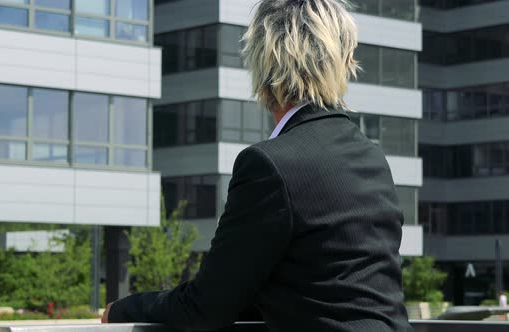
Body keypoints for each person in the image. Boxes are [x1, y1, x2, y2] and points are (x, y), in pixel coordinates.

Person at [102, 0, 413, 330]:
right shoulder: (371, 156)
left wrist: (122, 311)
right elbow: (326, 289)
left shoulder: (269, 164)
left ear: (266, 65)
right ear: (342, 61)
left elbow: (206, 307)